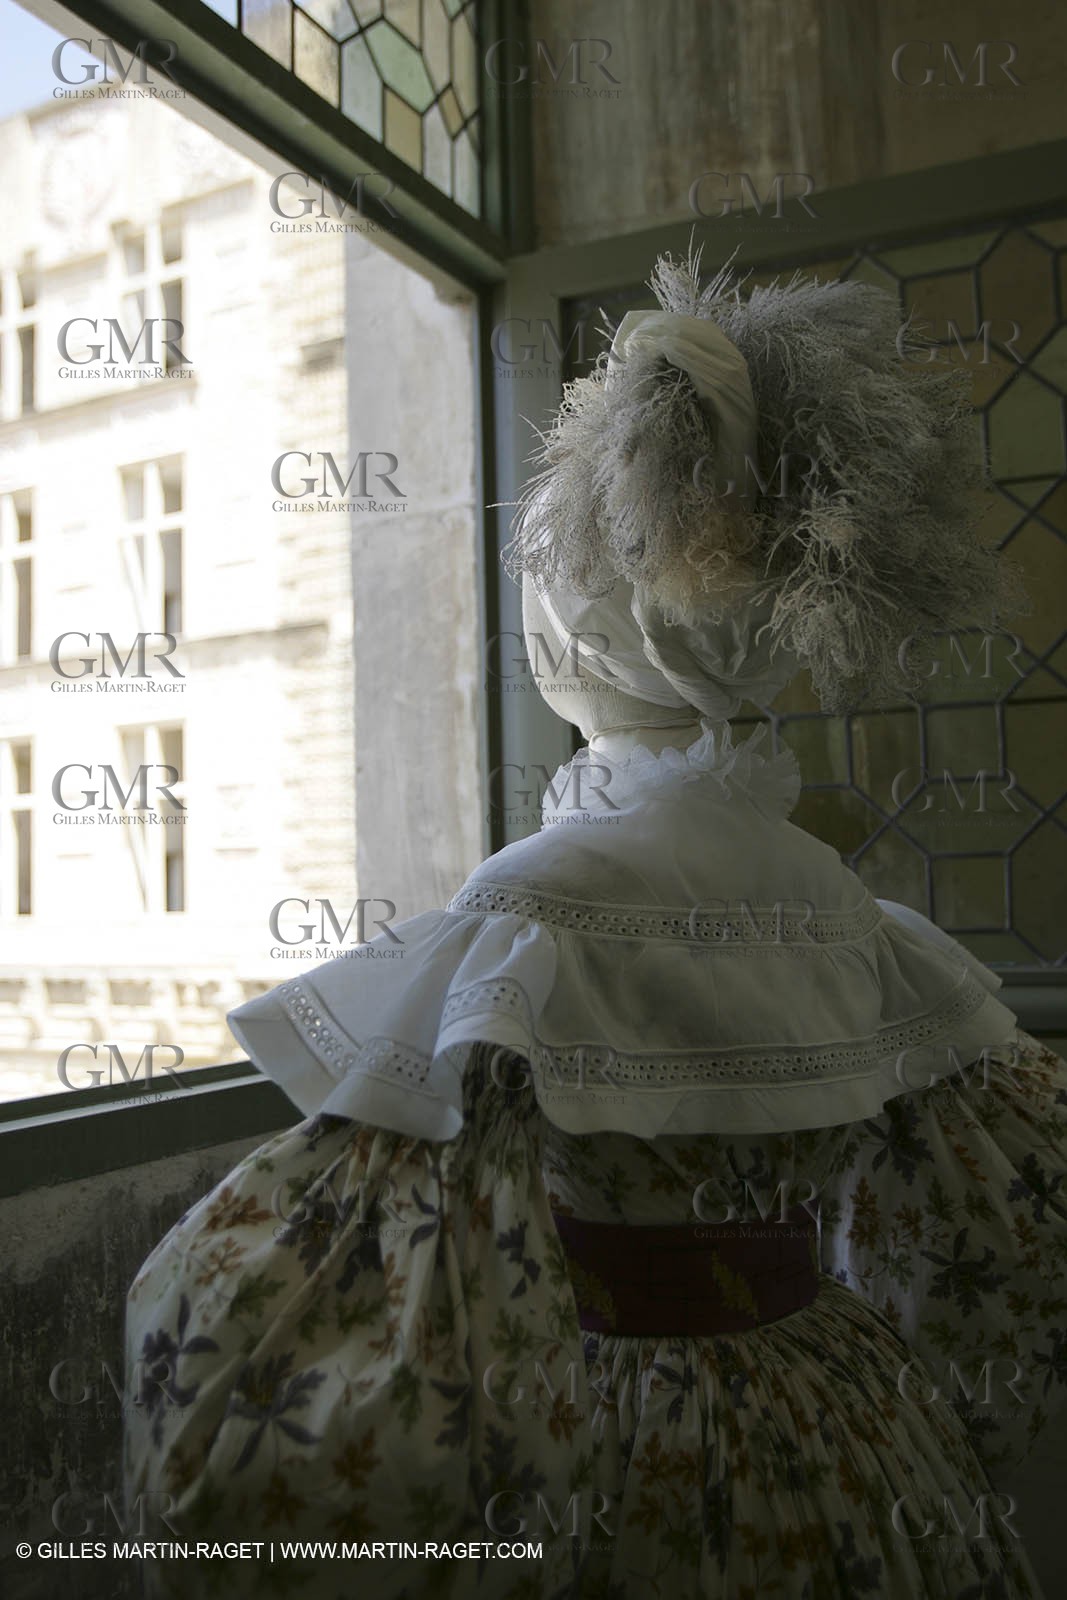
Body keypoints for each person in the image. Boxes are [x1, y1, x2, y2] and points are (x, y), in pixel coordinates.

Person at [124, 249, 1065, 1599]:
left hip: (604, 1433)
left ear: (575, 637)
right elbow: (1004, 1244)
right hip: (849, 1424)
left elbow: (306, 1310)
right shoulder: (851, 914)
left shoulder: (528, 910)